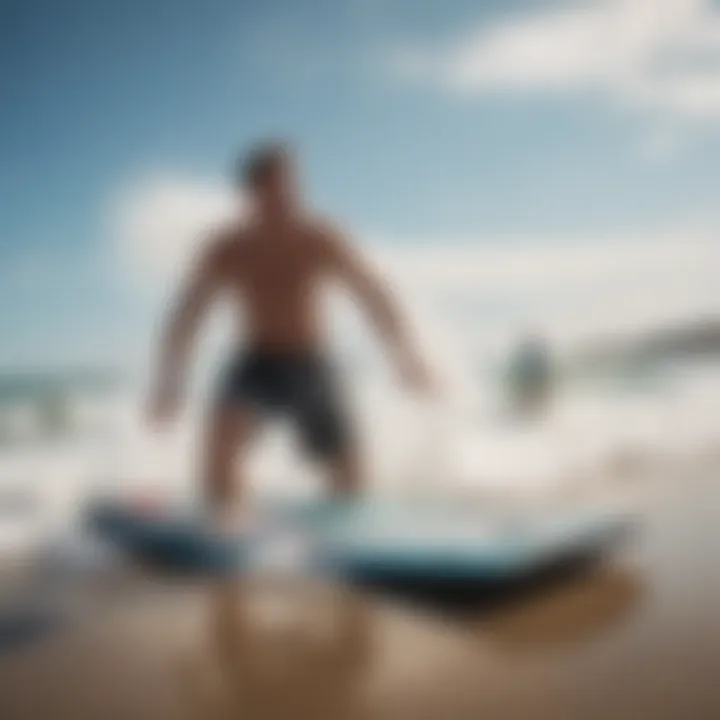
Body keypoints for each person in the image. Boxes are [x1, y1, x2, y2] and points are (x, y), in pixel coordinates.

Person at [147, 142, 434, 529]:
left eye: (293, 186)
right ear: (252, 193)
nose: (288, 197)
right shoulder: (228, 247)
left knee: (350, 480)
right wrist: (170, 381)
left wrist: (406, 355)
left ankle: (350, 542)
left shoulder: (319, 237)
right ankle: (229, 537)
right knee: (220, 449)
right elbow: (187, 313)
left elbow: (373, 293)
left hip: (312, 362)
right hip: (256, 362)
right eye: (276, 188)